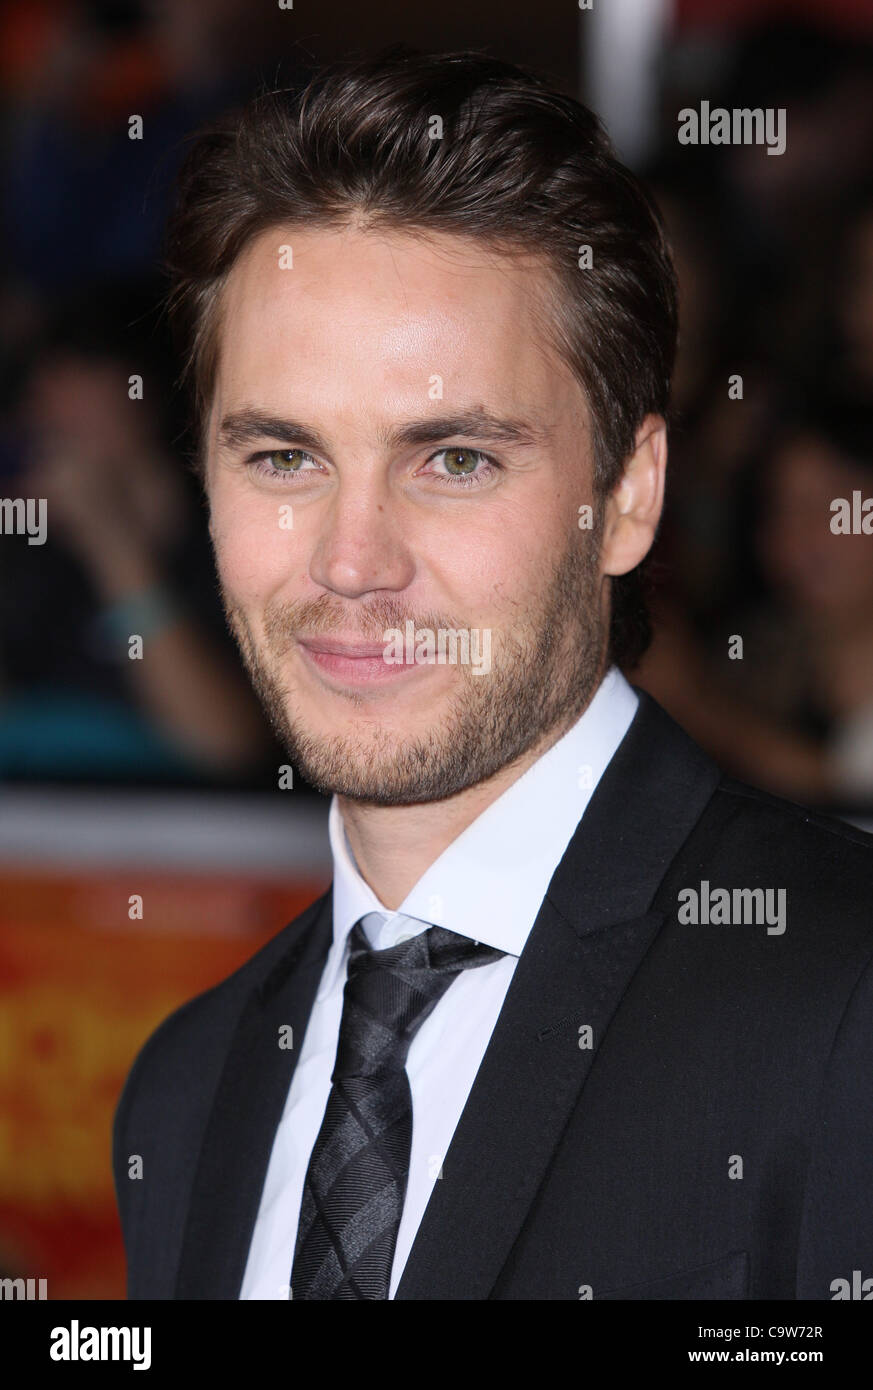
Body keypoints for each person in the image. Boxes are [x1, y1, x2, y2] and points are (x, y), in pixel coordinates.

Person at [113, 49, 873, 1301]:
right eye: (284, 457)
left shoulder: (844, 1001)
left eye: (454, 458)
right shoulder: (184, 1095)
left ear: (626, 497)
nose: (353, 563)